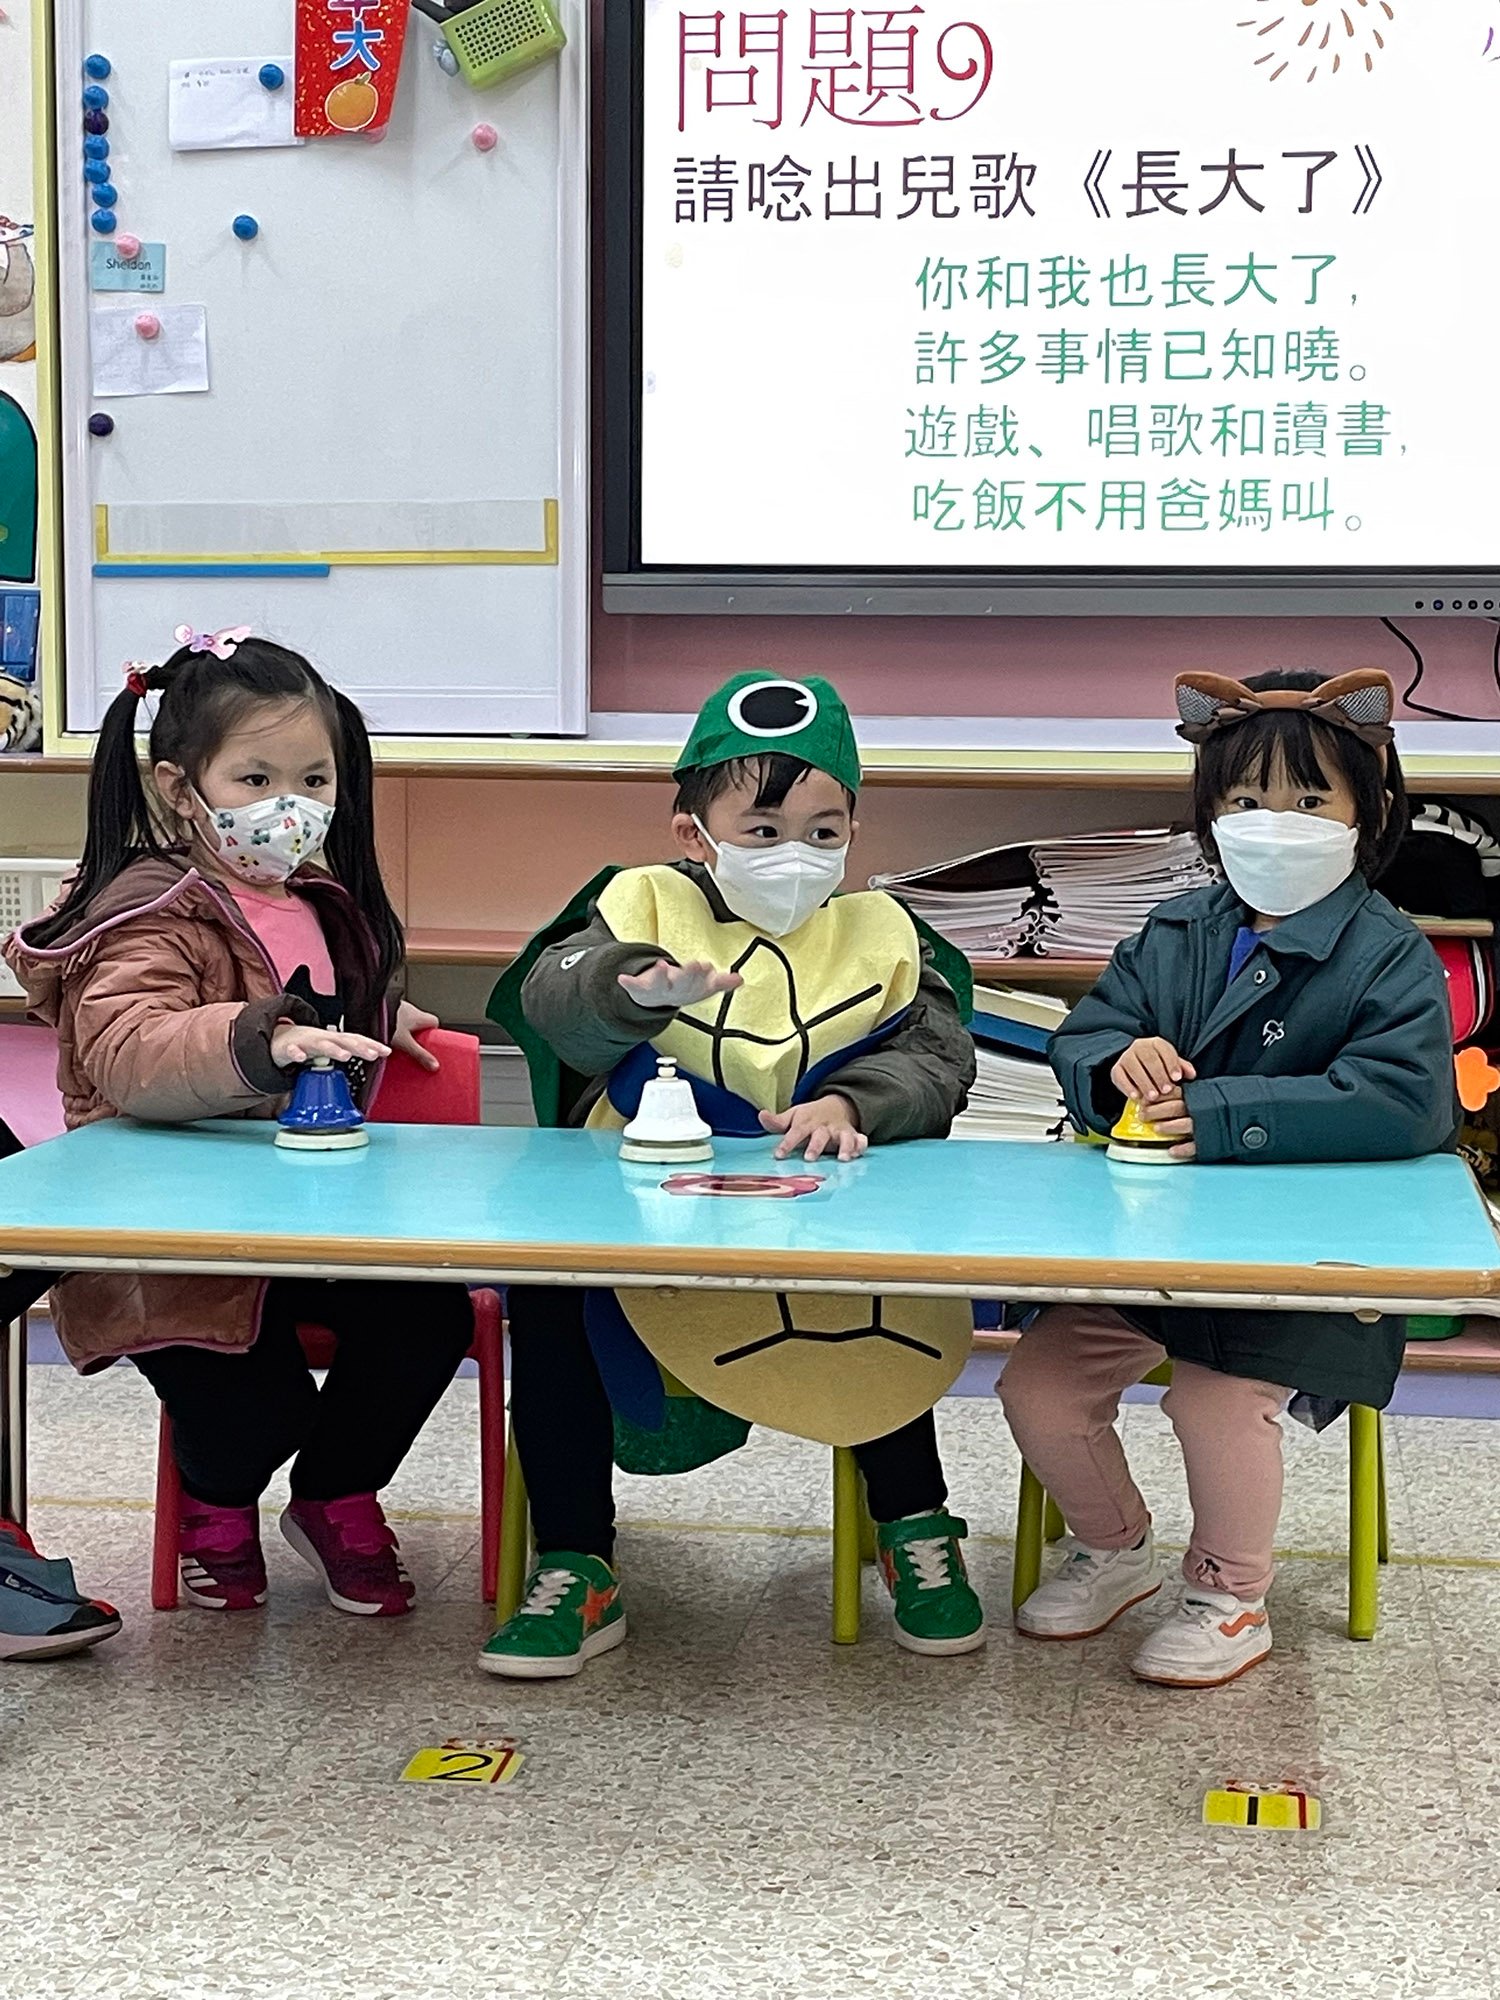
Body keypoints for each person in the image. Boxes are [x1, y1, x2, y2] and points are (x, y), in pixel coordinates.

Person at [482, 674, 983, 1676]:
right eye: (762, 829)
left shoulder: (881, 932)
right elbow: (554, 1001)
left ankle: (913, 1524)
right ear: (693, 831)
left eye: (823, 830)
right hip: (643, 1196)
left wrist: (855, 1104)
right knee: (549, 1292)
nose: (796, 854)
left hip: (823, 1192)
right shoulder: (636, 904)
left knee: (887, 1285)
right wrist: (628, 987)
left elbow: (938, 1054)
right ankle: (577, 1558)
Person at [1000, 668, 1455, 1689]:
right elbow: (1088, 1032)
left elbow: (1407, 1102)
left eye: (1310, 800)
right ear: (1210, 813)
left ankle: (1229, 1595)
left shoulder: (1388, 954)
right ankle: (1114, 1544)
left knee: (1214, 1405)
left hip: (1305, 1271)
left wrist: (1217, 1112)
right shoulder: (1177, 930)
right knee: (1038, 1384)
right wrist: (1114, 1061)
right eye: (1246, 800)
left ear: (1367, 811)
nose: (1274, 825)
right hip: (1152, 1258)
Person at [5, 629, 473, 1618]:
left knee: (425, 1317)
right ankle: (216, 1504)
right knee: (257, 1407)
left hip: (309, 1222)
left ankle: (336, 1493)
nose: (288, 805)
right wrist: (267, 1038)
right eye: (256, 778)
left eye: (314, 779)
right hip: (168, 1236)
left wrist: (385, 1011)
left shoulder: (321, 901)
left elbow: (323, 995)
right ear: (182, 788)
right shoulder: (149, 911)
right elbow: (130, 1049)